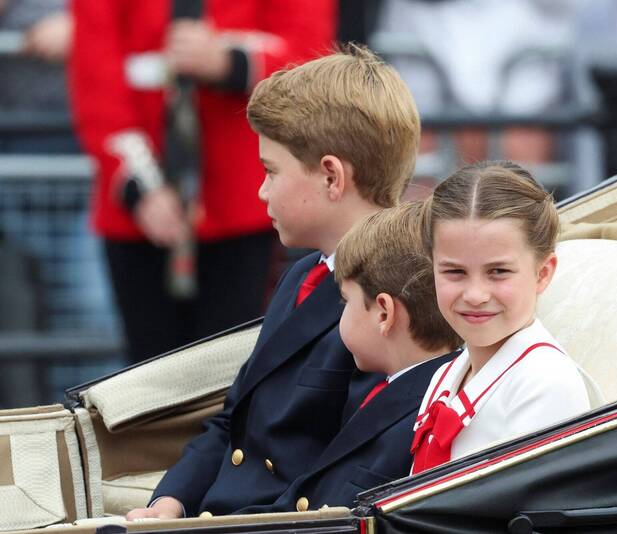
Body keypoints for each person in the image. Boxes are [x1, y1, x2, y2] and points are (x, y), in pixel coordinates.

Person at [125, 45, 421, 519]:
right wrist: (171, 500)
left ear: (331, 177)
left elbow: (353, 464)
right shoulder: (304, 274)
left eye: (271, 171)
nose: (262, 190)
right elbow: (234, 419)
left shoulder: (391, 297)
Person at [69, 0, 336, 363]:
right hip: (140, 216)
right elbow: (97, 85)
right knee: (143, 380)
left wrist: (228, 60)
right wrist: (142, 189)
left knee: (230, 371)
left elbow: (311, 55)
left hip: (242, 204)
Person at [235, 201, 462, 513]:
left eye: (345, 301)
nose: (341, 313)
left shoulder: (425, 414)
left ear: (384, 312)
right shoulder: (391, 390)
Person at [410, 161, 592, 474]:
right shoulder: (445, 376)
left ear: (542, 273)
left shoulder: (546, 383)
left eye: (498, 272)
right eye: (455, 272)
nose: (475, 294)